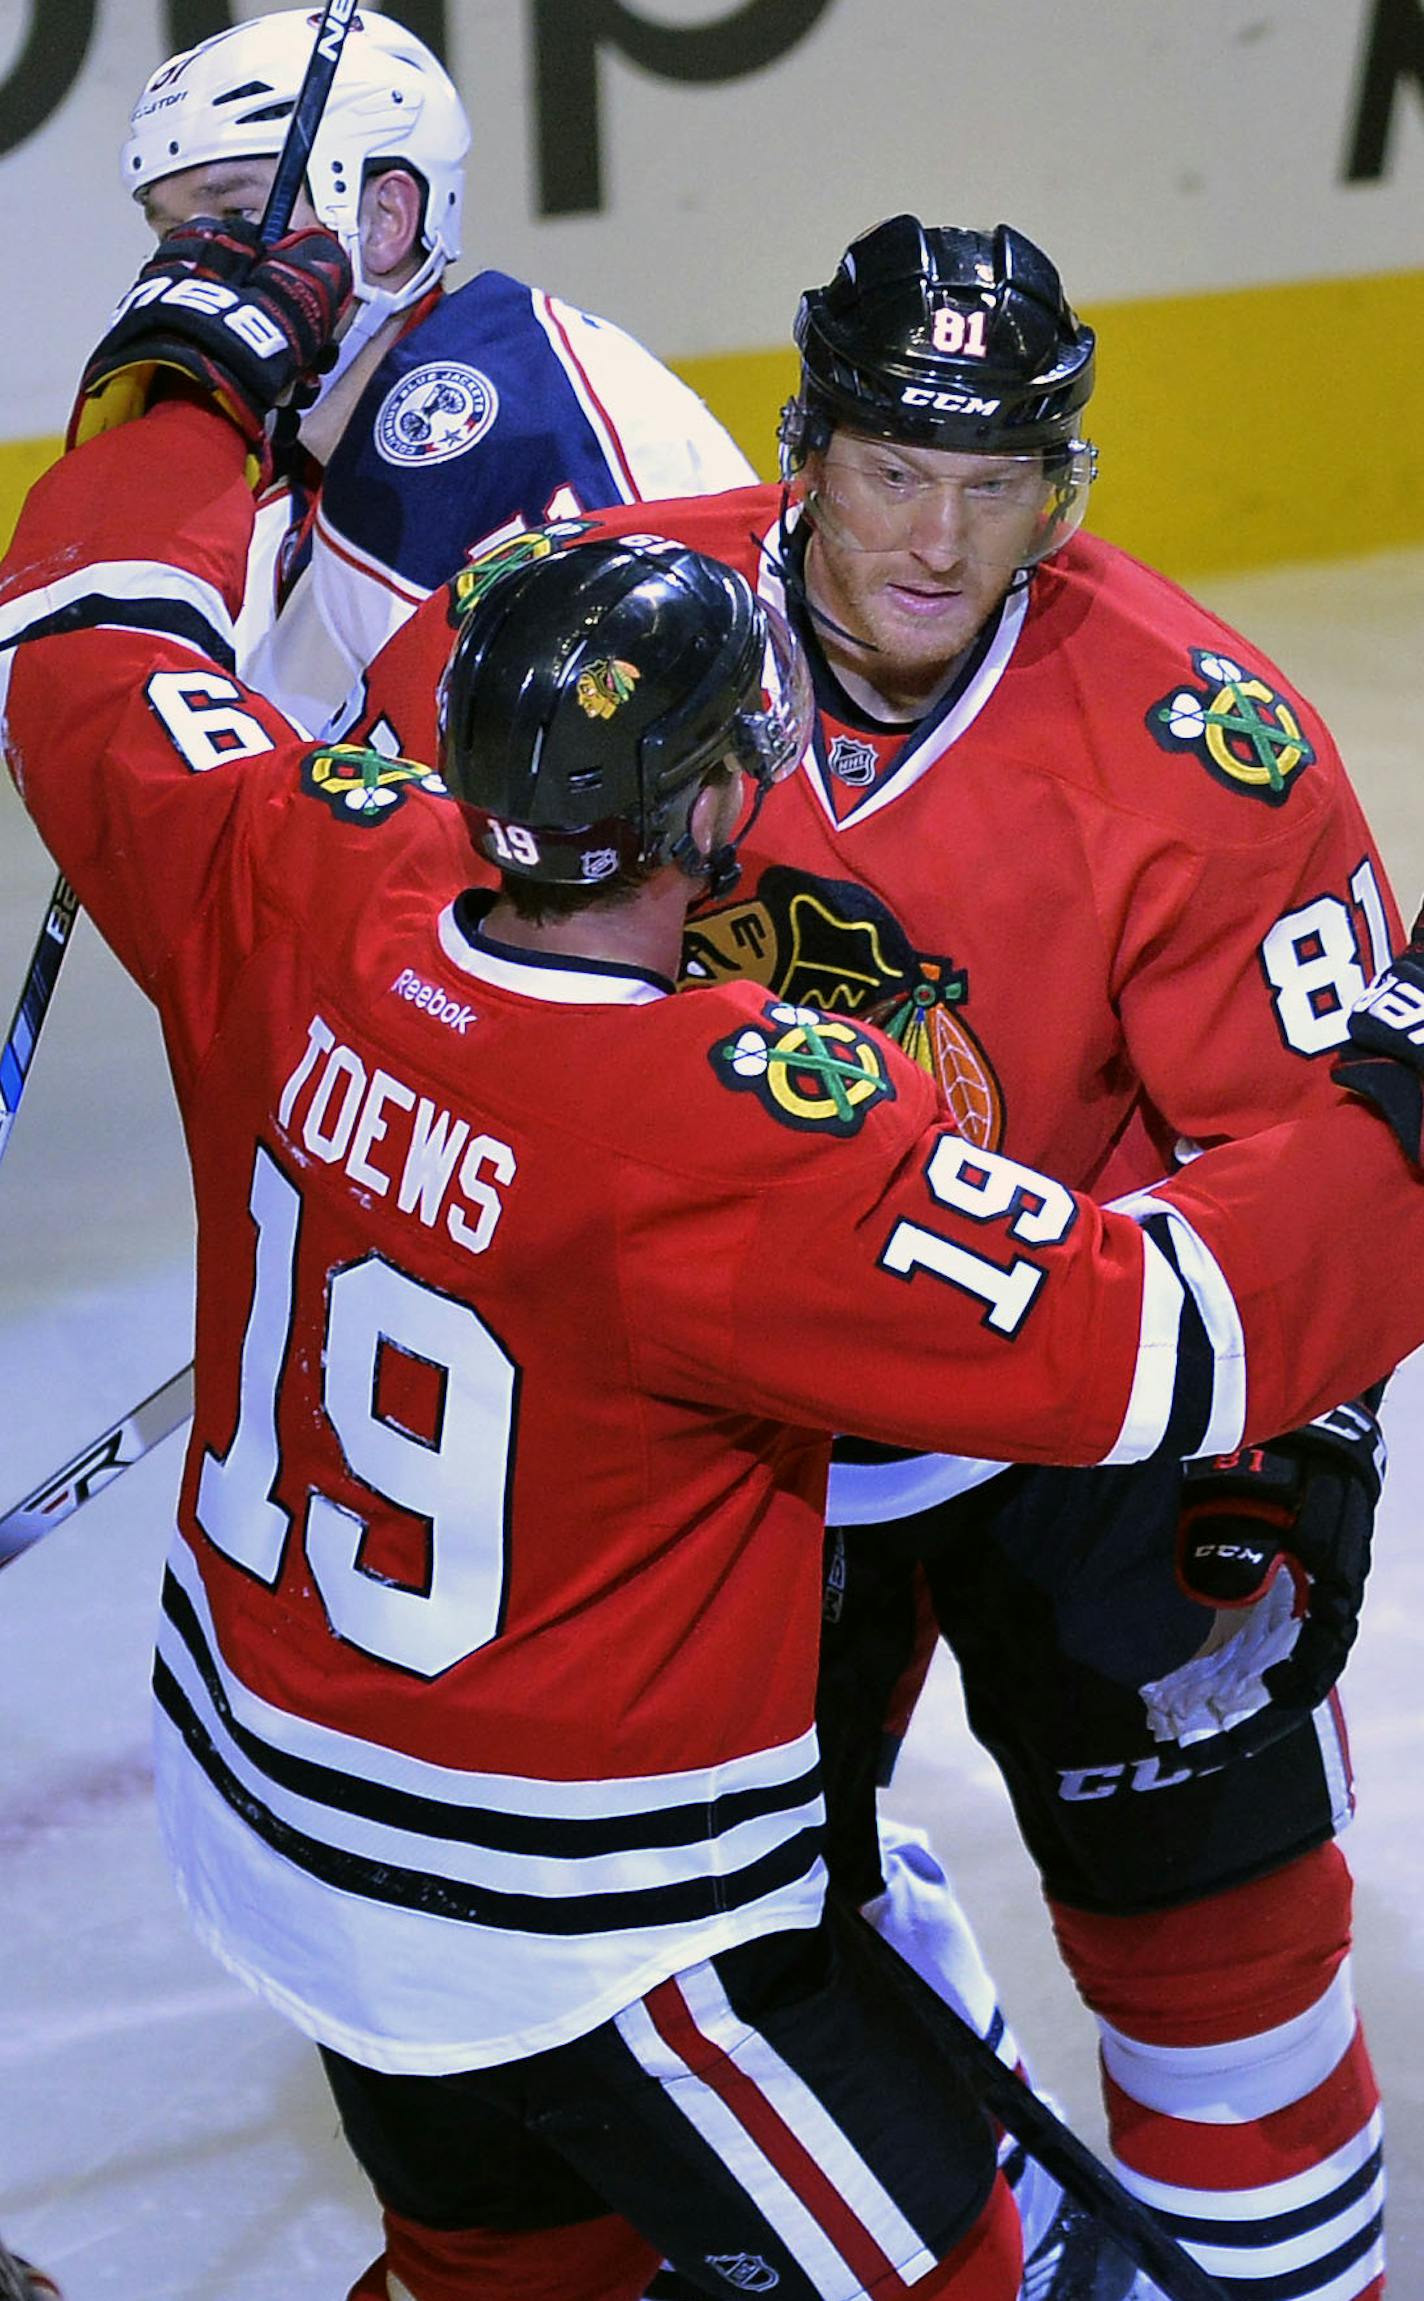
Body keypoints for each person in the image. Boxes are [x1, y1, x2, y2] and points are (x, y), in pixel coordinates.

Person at [9, 220, 1424, 2301]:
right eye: (886, 471)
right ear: (800, 446)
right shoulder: (735, 1120)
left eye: (994, 479)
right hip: (741, 1482)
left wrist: (1292, 1451)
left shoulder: (336, 872)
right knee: (811, 2109)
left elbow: (103, 670)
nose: (937, 541)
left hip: (993, 1475)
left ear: (1063, 483)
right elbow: (1186, 1312)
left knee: (1220, 1952)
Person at [117, 8, 754, 731]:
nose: (195, 264)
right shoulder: (283, 484)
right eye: (173, 234)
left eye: (234, 214)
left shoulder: (522, 417)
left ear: (387, 220)